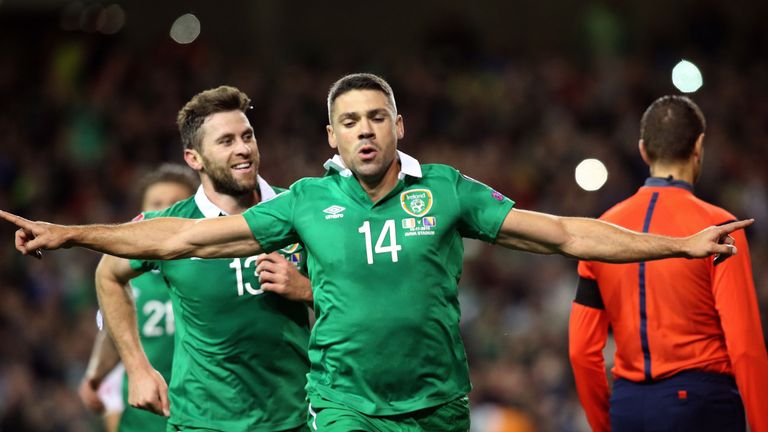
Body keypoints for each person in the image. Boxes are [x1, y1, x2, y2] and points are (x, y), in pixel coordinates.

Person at [1, 74, 751, 432]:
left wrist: (679, 244)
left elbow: (561, 232)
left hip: (436, 409)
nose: (363, 130)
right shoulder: (300, 203)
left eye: (375, 117)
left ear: (399, 124)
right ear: (330, 138)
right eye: (348, 121)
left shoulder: (449, 192)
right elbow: (181, 235)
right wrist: (73, 234)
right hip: (343, 412)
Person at [90, 86, 312, 431]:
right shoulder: (170, 226)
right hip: (200, 422)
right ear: (194, 158)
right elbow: (108, 274)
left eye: (248, 136)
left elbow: (355, 298)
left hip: (292, 418)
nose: (243, 149)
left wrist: (307, 290)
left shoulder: (298, 211)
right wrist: (136, 368)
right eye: (226, 142)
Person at [568, 95, 768, 432]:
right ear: (699, 146)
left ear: (644, 151)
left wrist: (607, 423)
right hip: (703, 406)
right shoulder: (718, 229)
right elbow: (745, 346)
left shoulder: (601, 231)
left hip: (628, 408)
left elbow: (581, 351)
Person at [78, 163, 198, 432]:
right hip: (144, 414)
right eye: (156, 204)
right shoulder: (123, 274)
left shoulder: (214, 267)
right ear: (142, 215)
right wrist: (94, 376)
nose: (165, 212)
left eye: (177, 204)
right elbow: (114, 331)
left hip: (203, 410)